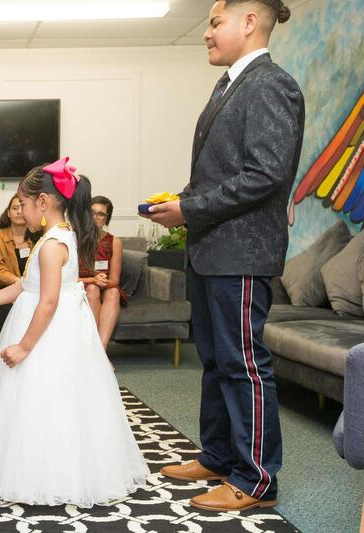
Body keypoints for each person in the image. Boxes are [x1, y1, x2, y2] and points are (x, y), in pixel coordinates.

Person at [144, 0, 304, 512]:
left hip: (240, 254)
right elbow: (224, 174)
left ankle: (256, 481)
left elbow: (265, 175)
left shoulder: (271, 85)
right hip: (213, 251)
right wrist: (181, 200)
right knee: (215, 363)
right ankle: (218, 454)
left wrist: (189, 211)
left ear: (249, 22)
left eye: (215, 23)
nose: (207, 34)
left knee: (243, 367)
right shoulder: (230, 85)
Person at [0, 157, 149, 507]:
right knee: (51, 398)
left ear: (43, 203)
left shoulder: (51, 245)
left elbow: (46, 302)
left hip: (46, 333)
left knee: (45, 398)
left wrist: (23, 346)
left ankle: (47, 475)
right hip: (57, 326)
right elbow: (24, 285)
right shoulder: (56, 236)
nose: (21, 212)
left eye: (23, 204)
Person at [78, 196, 124, 349]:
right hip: (81, 286)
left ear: (106, 218)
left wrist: (102, 281)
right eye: (92, 212)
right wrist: (93, 280)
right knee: (92, 289)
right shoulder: (74, 239)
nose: (95, 217)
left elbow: (114, 280)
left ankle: (100, 351)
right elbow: (67, 278)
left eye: (101, 214)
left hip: (105, 287)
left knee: (114, 293)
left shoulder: (114, 242)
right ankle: (94, 350)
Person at [0, 194, 35, 330]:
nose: (19, 211)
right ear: (8, 213)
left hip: (33, 289)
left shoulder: (38, 236)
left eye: (22, 207)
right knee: (6, 307)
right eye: (15, 208)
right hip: (6, 290)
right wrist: (17, 283)